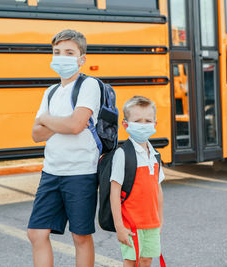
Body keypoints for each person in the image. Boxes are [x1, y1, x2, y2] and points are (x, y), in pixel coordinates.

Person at [27, 29, 100, 267]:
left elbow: (76, 125)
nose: (62, 57)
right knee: (36, 233)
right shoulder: (50, 92)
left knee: (80, 236)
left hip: (80, 173)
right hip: (51, 172)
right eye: (57, 52)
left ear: (82, 58)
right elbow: (36, 135)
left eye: (69, 52)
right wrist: (61, 123)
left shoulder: (89, 85)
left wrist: (48, 119)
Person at [110, 96, 165, 267]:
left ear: (155, 124)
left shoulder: (155, 155)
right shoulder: (123, 154)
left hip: (151, 222)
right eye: (137, 120)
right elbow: (115, 192)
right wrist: (119, 226)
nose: (143, 124)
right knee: (131, 261)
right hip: (130, 223)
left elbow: (158, 189)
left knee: (146, 260)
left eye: (148, 120)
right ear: (126, 124)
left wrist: (160, 220)